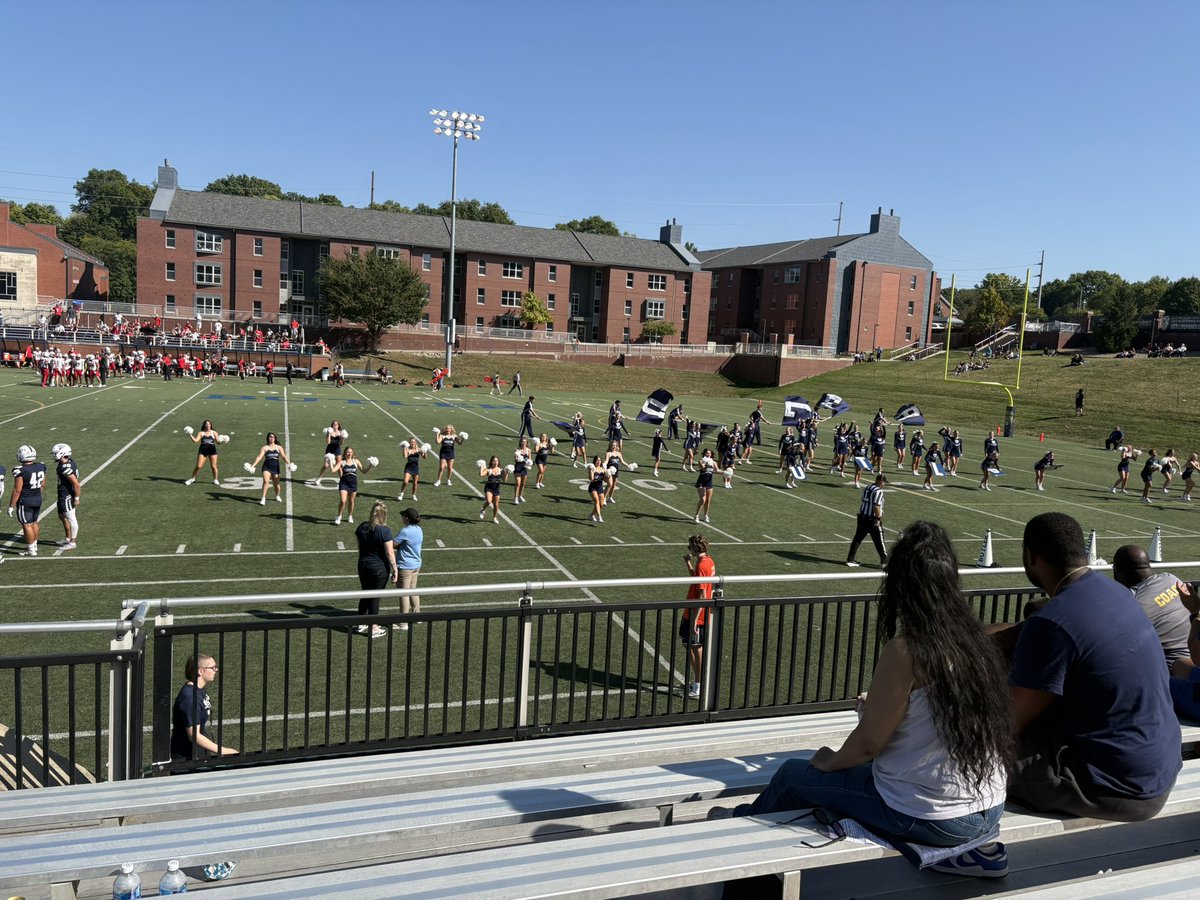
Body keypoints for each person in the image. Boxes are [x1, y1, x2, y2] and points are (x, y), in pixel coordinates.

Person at [716, 521, 1011, 877]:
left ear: (902, 585)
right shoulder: (978, 641)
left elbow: (870, 743)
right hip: (990, 807)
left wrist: (830, 761)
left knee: (792, 775)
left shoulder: (907, 650)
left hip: (934, 818)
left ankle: (734, 831)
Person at [1006, 512, 1181, 821]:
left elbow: (1006, 724)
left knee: (968, 746)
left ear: (1031, 556)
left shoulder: (1052, 622)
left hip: (1115, 789)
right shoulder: (1115, 592)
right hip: (1157, 768)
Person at [1111, 544, 1192, 668]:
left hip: (1169, 670)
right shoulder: (1170, 579)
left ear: (1117, 570)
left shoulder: (1132, 601)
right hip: (1195, 657)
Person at [172, 653, 238, 761]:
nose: (215, 670)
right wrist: (224, 751)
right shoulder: (190, 698)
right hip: (186, 758)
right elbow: (194, 735)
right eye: (212, 668)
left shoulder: (198, 690)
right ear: (200, 671)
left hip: (197, 753)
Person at [354, 500, 396, 639]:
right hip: (378, 567)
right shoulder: (385, 530)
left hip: (363, 564)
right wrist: (395, 569)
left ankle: (360, 623)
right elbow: (390, 553)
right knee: (374, 597)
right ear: (383, 514)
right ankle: (374, 628)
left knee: (365, 593)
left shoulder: (362, 527)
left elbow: (359, 547)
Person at [680, 534, 716, 699]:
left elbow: (702, 595)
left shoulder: (702, 564)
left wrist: (695, 619)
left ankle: (698, 686)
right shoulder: (707, 561)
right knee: (691, 646)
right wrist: (687, 562)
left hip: (697, 614)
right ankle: (697, 683)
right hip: (694, 611)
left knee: (696, 648)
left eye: (690, 547)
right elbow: (697, 581)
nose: (689, 550)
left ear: (695, 548)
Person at [8, 445, 46, 556]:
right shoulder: (41, 466)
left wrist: (11, 505)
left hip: (26, 501)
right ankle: (34, 545)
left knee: (26, 525)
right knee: (34, 523)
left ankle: (31, 549)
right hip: (37, 498)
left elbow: (17, 490)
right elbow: (43, 484)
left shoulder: (20, 470)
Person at [846, 474, 888, 568]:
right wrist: (878, 519)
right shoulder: (878, 491)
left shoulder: (867, 487)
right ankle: (884, 561)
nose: (884, 484)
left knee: (857, 538)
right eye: (884, 482)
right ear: (880, 481)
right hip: (872, 519)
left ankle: (850, 559)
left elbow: (863, 500)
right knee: (879, 540)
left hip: (862, 517)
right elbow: (876, 506)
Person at [392, 507, 423, 630]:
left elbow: (393, 544)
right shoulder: (419, 529)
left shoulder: (405, 531)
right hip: (416, 565)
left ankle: (403, 623)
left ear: (407, 518)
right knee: (412, 590)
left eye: (403, 516)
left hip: (405, 566)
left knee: (403, 594)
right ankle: (417, 617)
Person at [247, 432, 295, 506]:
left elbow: (284, 456)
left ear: (275, 438)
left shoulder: (278, 447)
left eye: (272, 437)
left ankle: (277, 495)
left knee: (277, 485)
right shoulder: (265, 448)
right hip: (267, 466)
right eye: (270, 437)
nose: (271, 438)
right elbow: (259, 457)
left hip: (275, 467)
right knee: (266, 481)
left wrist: (289, 464)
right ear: (268, 438)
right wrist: (253, 466)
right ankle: (263, 498)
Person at [333, 447, 375, 526]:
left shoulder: (356, 461)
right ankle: (339, 516)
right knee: (343, 501)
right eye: (348, 452)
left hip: (353, 484)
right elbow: (333, 470)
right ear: (345, 453)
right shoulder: (342, 462)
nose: (349, 454)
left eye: (351, 452)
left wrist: (370, 465)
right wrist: (331, 462)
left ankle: (349, 516)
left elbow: (364, 471)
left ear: (353, 453)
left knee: (351, 502)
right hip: (344, 484)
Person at [50, 443, 81, 550]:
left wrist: (76, 498)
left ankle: (73, 542)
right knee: (62, 516)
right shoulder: (67, 462)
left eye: (55, 453)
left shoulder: (65, 467)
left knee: (71, 518)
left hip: (67, 495)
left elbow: (76, 484)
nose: (54, 455)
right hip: (62, 493)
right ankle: (68, 538)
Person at [184, 420, 225, 486]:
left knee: (214, 466)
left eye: (209, 424)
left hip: (212, 450)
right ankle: (192, 479)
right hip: (203, 450)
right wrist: (190, 434)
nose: (208, 425)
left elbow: (218, 442)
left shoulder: (214, 433)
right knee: (199, 466)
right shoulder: (201, 433)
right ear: (204, 425)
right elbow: (195, 441)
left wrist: (223, 440)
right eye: (206, 424)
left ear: (211, 425)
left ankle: (216, 479)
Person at [314, 420, 349, 485]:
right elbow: (328, 442)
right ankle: (319, 478)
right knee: (325, 465)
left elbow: (341, 443)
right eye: (334, 424)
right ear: (332, 425)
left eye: (336, 424)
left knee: (339, 466)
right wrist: (328, 434)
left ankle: (342, 480)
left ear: (338, 426)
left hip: (337, 450)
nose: (335, 425)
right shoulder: (330, 431)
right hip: (329, 450)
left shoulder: (340, 432)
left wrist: (343, 438)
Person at [478, 455, 509, 524]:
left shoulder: (501, 470)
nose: (495, 462)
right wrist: (481, 466)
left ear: (498, 462)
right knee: (489, 501)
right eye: (494, 461)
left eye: (496, 461)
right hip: (489, 488)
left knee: (496, 505)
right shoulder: (488, 470)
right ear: (491, 462)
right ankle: (482, 510)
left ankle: (494, 518)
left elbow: (504, 480)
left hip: (496, 489)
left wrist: (508, 472)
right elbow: (481, 474)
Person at [398, 437, 427, 502]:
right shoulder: (407, 449)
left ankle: (413, 495)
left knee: (415, 483)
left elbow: (425, 458)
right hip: (408, 468)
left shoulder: (419, 450)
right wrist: (405, 448)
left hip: (415, 468)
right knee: (405, 481)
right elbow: (405, 456)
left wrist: (425, 451)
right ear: (409, 443)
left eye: (414, 442)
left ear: (416, 443)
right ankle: (401, 494)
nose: (412, 443)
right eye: (411, 442)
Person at [693, 448, 716, 524]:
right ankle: (696, 515)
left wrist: (725, 473)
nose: (708, 454)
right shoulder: (701, 461)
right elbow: (703, 469)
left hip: (709, 482)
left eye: (709, 453)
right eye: (707, 453)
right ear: (704, 454)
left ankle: (705, 515)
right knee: (703, 500)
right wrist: (707, 464)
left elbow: (718, 470)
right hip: (701, 482)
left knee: (708, 501)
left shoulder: (713, 462)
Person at [586, 455, 607, 524]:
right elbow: (591, 479)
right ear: (594, 461)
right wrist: (590, 471)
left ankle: (591, 515)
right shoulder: (592, 468)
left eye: (600, 460)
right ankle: (599, 516)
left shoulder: (603, 469)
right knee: (596, 501)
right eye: (597, 460)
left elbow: (605, 480)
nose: (598, 462)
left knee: (601, 503)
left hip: (599, 487)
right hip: (593, 487)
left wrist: (608, 474)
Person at [512, 438, 532, 505]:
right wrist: (518, 459)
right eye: (522, 442)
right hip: (518, 468)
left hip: (524, 468)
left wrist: (529, 464)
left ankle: (520, 496)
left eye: (525, 442)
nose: (523, 443)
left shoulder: (528, 450)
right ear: (520, 442)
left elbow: (530, 460)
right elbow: (515, 460)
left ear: (526, 443)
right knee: (518, 483)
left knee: (523, 484)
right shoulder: (517, 450)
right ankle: (515, 498)